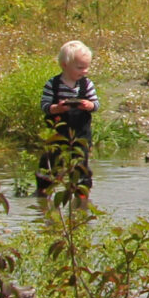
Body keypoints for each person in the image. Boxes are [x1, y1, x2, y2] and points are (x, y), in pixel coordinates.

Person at [38, 41, 100, 208]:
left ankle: (81, 196)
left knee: (80, 162)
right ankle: (44, 193)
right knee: (51, 160)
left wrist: (88, 105)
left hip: (80, 132)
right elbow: (44, 106)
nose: (84, 71)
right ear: (65, 65)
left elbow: (95, 104)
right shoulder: (53, 84)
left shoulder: (86, 84)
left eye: (86, 67)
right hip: (58, 130)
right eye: (80, 67)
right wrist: (57, 108)